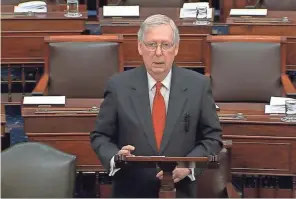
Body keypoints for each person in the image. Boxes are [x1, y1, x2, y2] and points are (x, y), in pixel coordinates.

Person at [90, 14, 223, 198]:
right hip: (131, 190)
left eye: (166, 45)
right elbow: (100, 136)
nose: (158, 52)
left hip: (180, 191)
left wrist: (188, 166)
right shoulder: (118, 86)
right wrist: (117, 157)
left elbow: (213, 137)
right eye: (151, 45)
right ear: (139, 47)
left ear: (176, 48)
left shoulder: (198, 86)